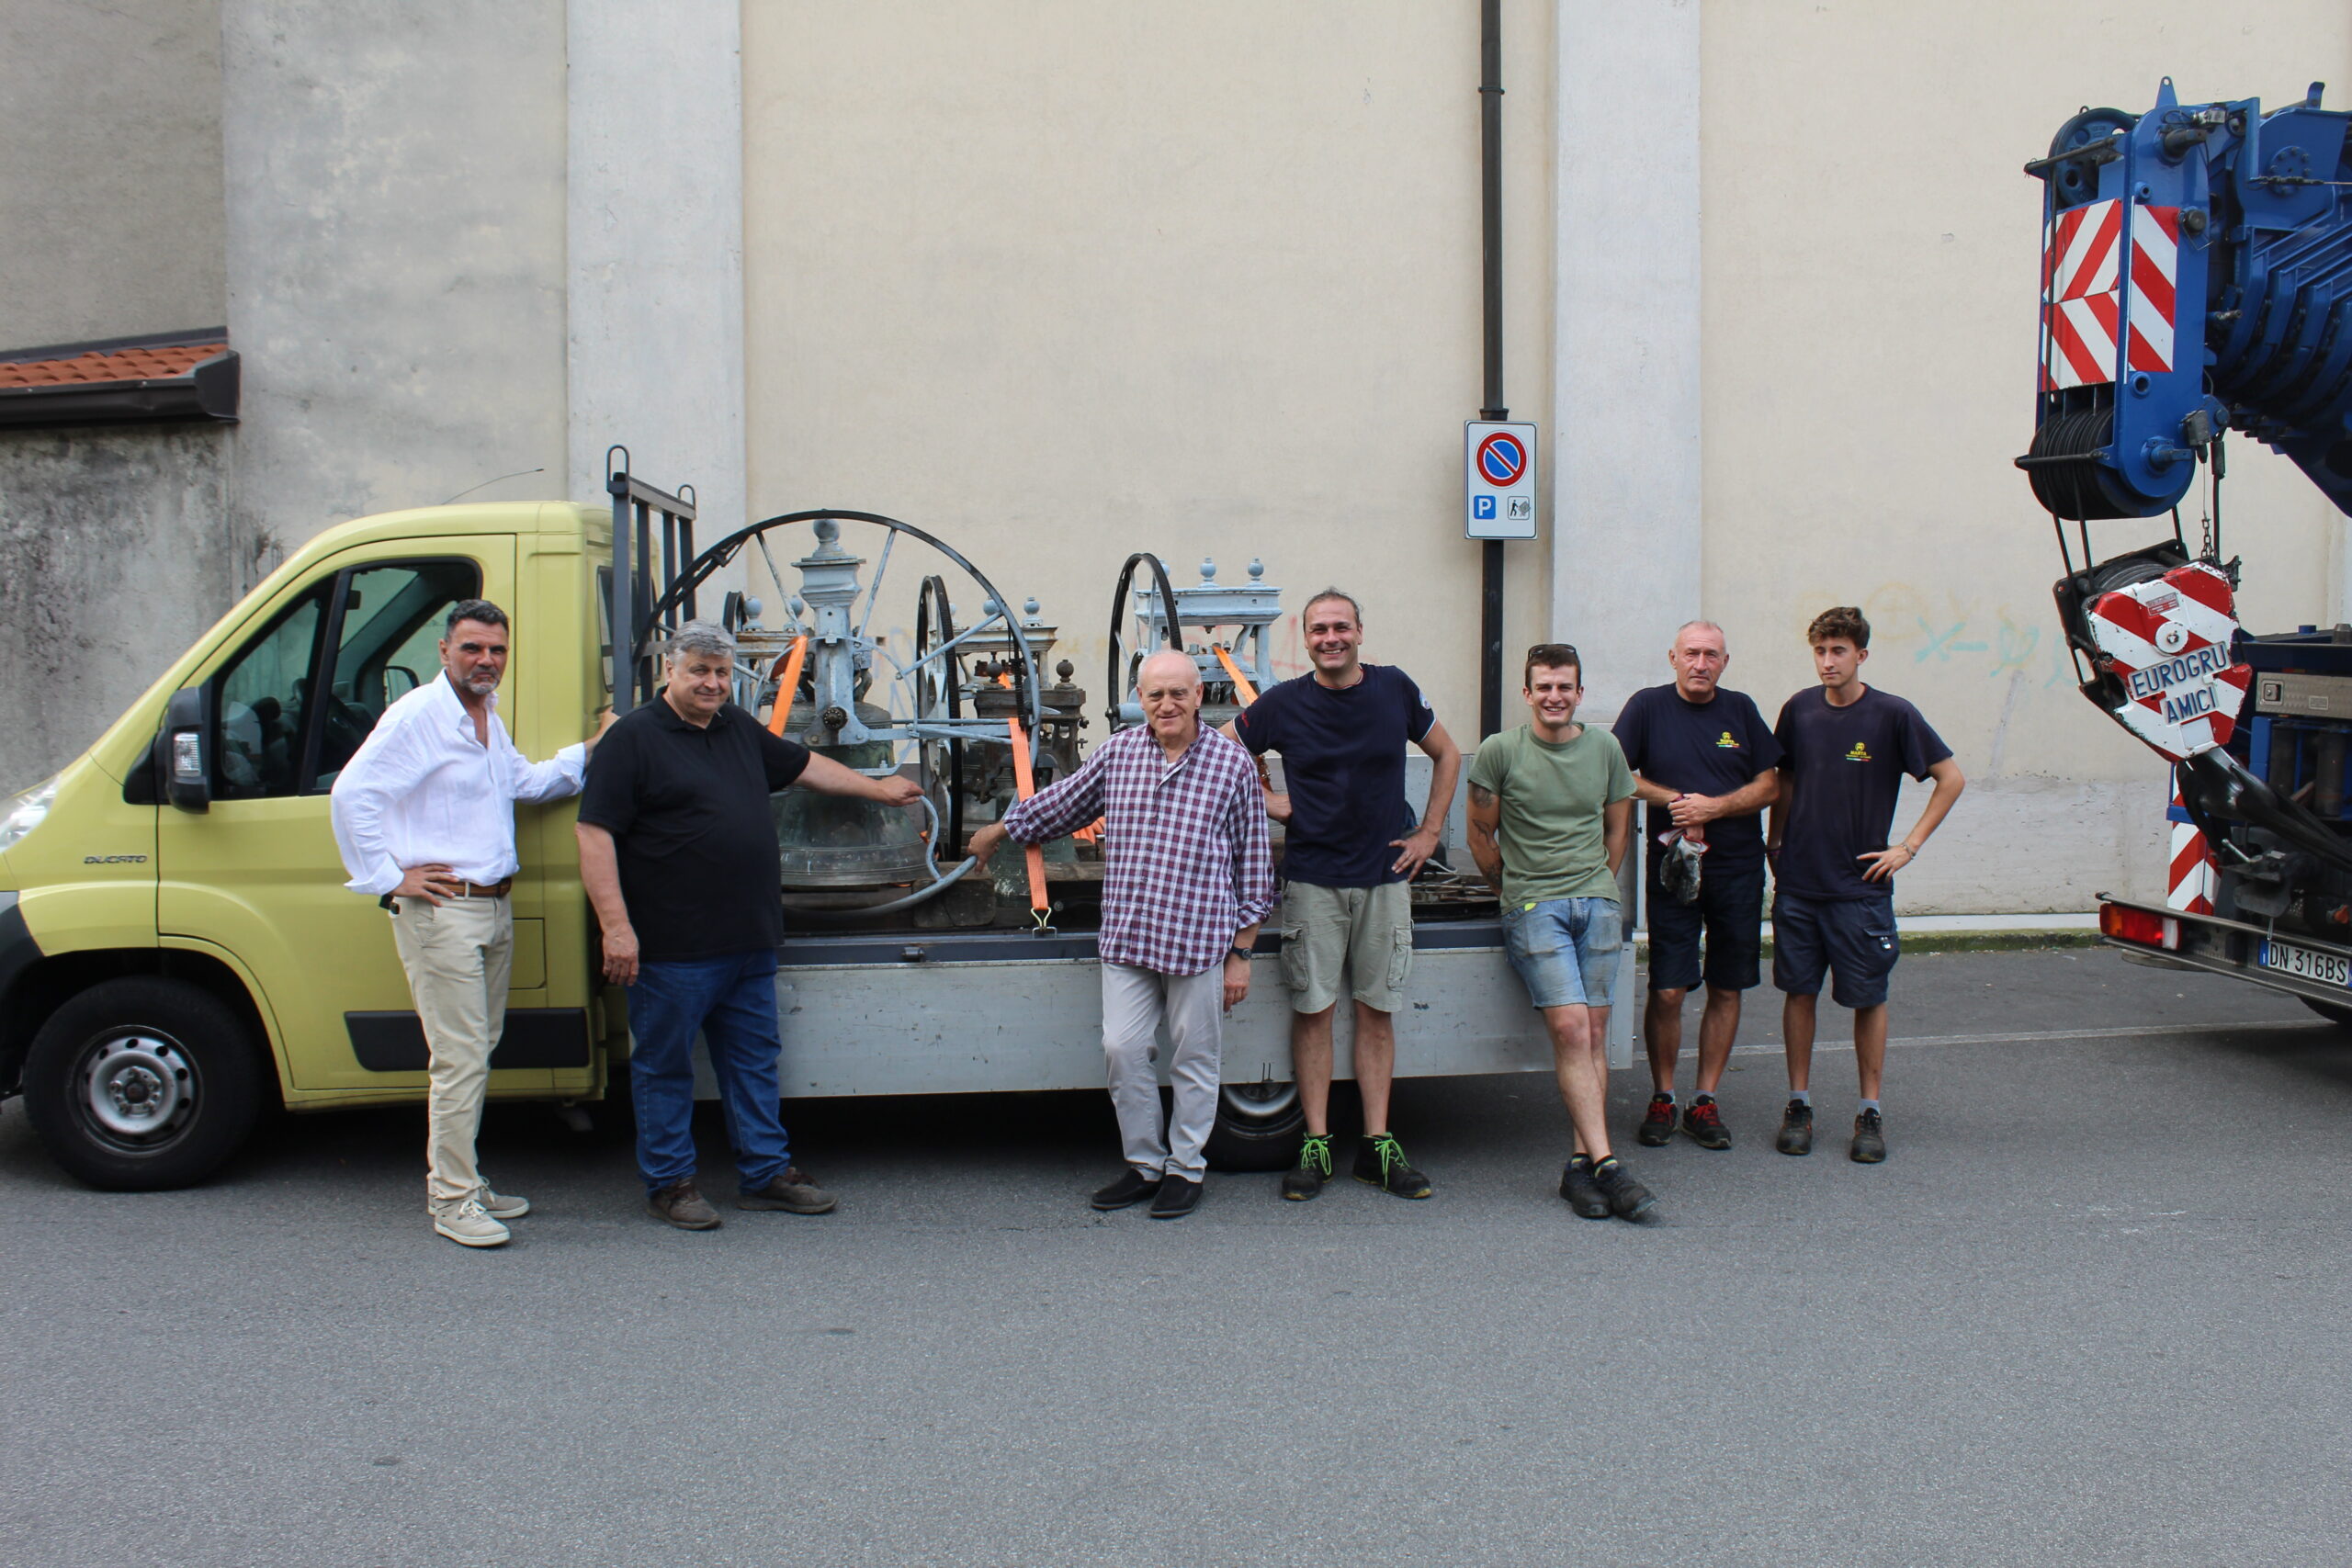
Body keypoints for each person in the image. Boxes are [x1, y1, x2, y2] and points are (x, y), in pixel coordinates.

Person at [575, 621, 923, 1230]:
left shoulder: (735, 727)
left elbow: (805, 764)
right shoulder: (631, 740)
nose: (711, 683)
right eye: (699, 671)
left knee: (754, 1060)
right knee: (664, 1067)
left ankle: (765, 1171)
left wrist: (877, 789)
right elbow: (594, 833)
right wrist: (617, 927)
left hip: (746, 938)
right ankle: (670, 1182)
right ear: (670, 673)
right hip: (670, 945)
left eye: (719, 672)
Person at [331, 599, 609, 1249]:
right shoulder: (420, 716)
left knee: (476, 1052)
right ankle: (451, 1199)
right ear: (444, 651)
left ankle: (466, 1179)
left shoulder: (483, 715)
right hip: (444, 910)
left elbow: (525, 782)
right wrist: (388, 876)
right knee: (458, 1059)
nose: (486, 660)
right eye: (473, 649)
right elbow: (352, 794)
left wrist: (596, 750)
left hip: (490, 905)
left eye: (497, 651)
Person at [970, 649, 1273, 1220]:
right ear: (1141, 699)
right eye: (1155, 694)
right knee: (1123, 1049)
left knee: (1195, 1058)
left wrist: (1242, 953)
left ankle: (1186, 1170)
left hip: (1199, 939)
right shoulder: (1119, 753)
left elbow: (1254, 869)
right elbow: (1062, 804)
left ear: (1198, 697)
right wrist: (999, 830)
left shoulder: (1231, 766)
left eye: (1177, 693)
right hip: (1130, 936)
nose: (1166, 705)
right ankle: (1144, 1165)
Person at [1223, 589, 1461, 1201]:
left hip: (1384, 878)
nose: (1331, 637)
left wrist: (1430, 831)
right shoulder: (1283, 703)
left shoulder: (1394, 689)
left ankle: (1378, 1145)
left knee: (1378, 1010)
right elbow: (1220, 748)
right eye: (1319, 629)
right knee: (1314, 1010)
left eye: (1340, 627)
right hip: (1313, 879)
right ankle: (1319, 1143)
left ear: (1359, 632)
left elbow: (1447, 753)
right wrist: (1271, 802)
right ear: (1305, 640)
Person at [1767, 606, 1965, 1163]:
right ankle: (1799, 1103)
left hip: (1861, 890)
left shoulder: (1892, 715)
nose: (1828, 662)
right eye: (1820, 651)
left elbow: (1951, 778)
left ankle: (1869, 1111)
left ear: (1861, 656)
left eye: (1839, 651)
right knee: (1798, 992)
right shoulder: (1799, 710)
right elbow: (1785, 779)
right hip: (1800, 885)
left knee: (1868, 997)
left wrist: (1908, 847)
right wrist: (1775, 845)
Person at [1466, 644, 1657, 1222]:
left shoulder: (1606, 749)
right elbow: (1480, 834)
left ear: (1579, 693)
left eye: (1564, 687)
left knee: (1595, 1030)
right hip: (1534, 904)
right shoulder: (1501, 751)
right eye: (1543, 687)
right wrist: (1514, 893)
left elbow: (1618, 828)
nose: (1554, 697)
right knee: (1572, 1027)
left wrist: (1601, 883)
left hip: (1595, 901)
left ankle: (1581, 1166)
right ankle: (1609, 1164)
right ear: (1528, 693)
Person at [1614, 620, 1781, 1150]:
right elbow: (1617, 771)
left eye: (1711, 655)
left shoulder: (1742, 711)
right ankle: (1663, 1095)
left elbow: (1771, 783)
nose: (1701, 664)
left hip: (1736, 868)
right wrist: (1676, 800)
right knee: (1667, 988)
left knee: (1727, 985)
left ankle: (1704, 1100)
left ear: (1724, 662)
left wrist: (1718, 806)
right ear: (1673, 657)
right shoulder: (1647, 707)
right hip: (1674, 868)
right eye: (1692, 653)